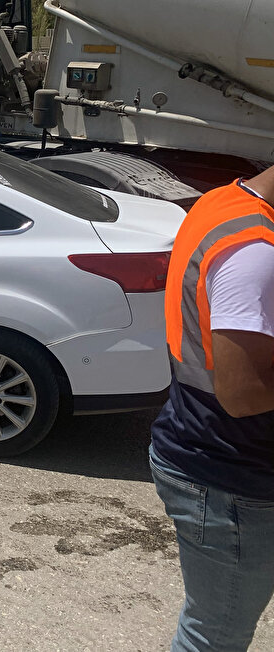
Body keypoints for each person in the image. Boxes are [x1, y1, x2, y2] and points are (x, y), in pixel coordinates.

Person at [150, 164, 274, 651]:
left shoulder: (225, 201)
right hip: (231, 478)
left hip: (212, 454)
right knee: (215, 634)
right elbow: (242, 393)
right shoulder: (254, 253)